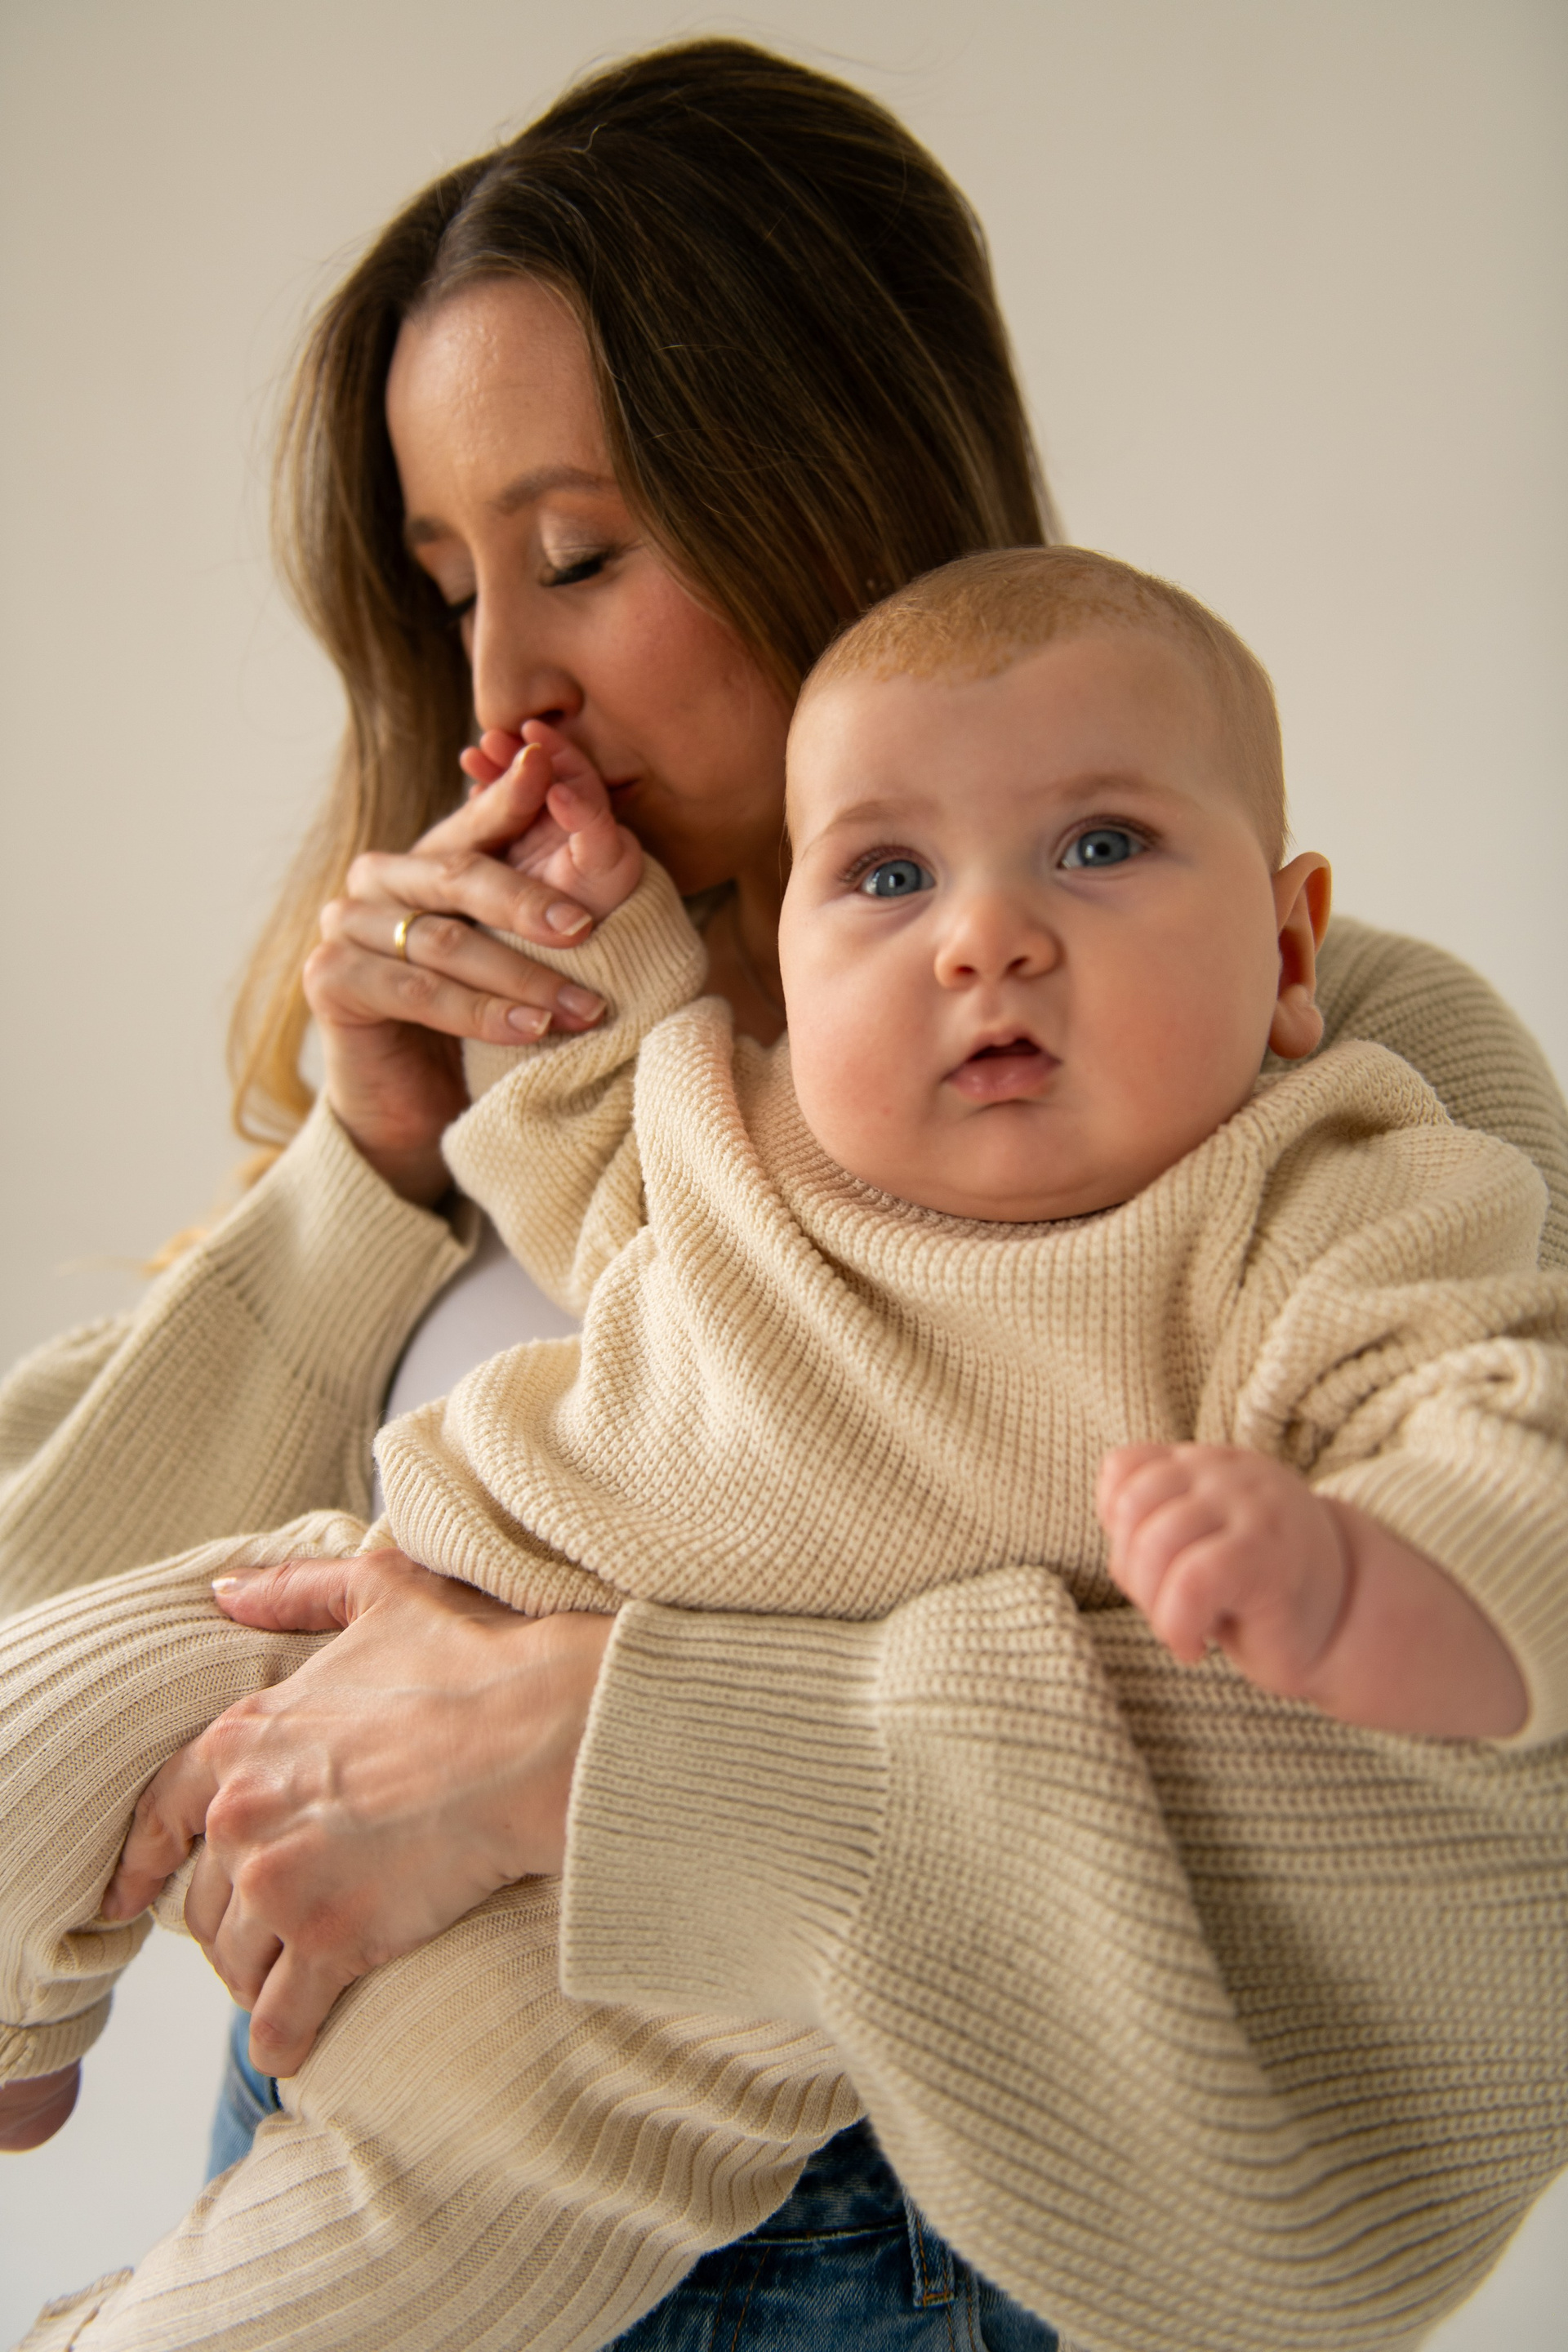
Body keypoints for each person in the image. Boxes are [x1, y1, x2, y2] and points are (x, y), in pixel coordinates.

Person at [2, 36, 1566, 2352]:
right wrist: (370, 1163)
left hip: (847, 2245)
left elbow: (1458, 1803)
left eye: (580, 556)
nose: (506, 681)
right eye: (449, 590)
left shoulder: (1312, 1068)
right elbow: (57, 1607)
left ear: (821, 480)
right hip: (328, 2133)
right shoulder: (548, 1078)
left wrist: (592, 1746)